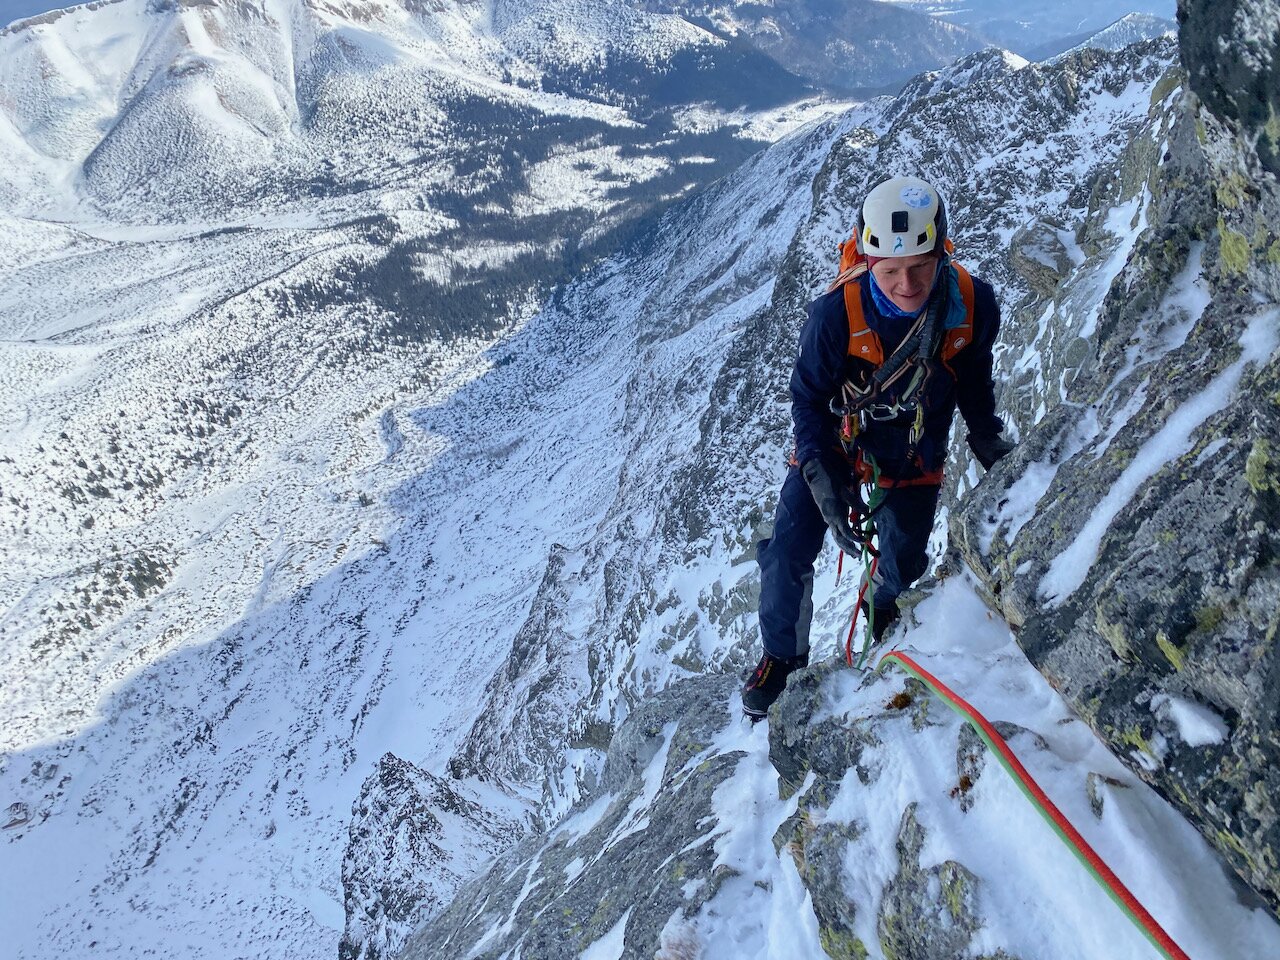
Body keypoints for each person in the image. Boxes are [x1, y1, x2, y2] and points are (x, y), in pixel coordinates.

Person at [742, 175, 1014, 721]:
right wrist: (817, 471)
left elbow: (973, 378)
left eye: (920, 267)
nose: (906, 284)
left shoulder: (971, 304)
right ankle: (782, 658)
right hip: (837, 439)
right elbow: (808, 399)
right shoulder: (835, 315)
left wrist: (985, 434)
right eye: (889, 271)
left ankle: (883, 607)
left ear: (942, 254)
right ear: (868, 262)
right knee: (788, 549)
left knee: (903, 560)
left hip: (914, 441)